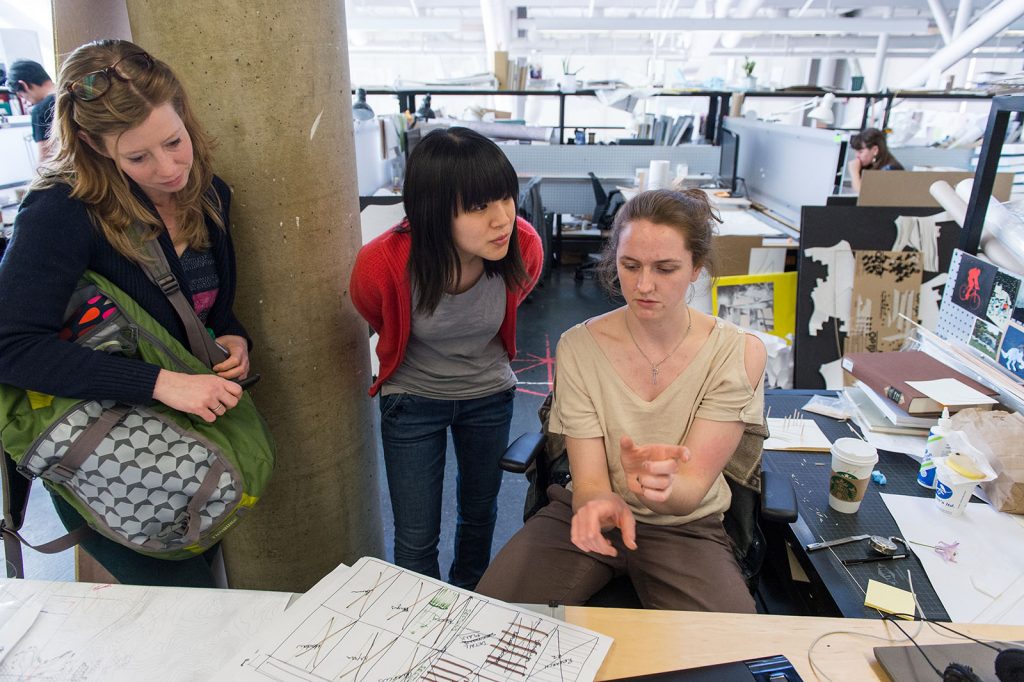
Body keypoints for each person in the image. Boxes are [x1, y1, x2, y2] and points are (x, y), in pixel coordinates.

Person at [0, 40, 252, 586]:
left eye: (174, 142)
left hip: (191, 441)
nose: (168, 169)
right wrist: (162, 382)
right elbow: (11, 347)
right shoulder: (61, 210)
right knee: (188, 607)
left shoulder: (210, 194)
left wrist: (232, 340)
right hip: (104, 453)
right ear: (91, 144)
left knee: (205, 591)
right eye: (138, 157)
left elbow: (212, 309)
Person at [476, 188, 767, 612]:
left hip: (684, 527)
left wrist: (660, 486)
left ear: (695, 269)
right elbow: (591, 481)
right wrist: (597, 499)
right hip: (590, 518)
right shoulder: (580, 346)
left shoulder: (736, 352)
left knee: (738, 661)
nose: (643, 285)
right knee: (485, 626)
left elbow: (689, 491)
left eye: (666, 269)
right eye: (630, 266)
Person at [349, 127, 543, 590]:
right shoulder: (383, 263)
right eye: (478, 206)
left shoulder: (524, 245)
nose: (501, 219)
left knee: (480, 516)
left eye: (505, 199)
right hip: (413, 399)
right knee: (416, 537)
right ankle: (423, 619)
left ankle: (469, 603)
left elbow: (520, 290)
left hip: (488, 395)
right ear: (434, 211)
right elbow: (371, 308)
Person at [6, 59, 57, 164]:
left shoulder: (40, 111)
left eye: (21, 95)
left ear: (23, 85)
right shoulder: (74, 93)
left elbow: (46, 160)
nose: (25, 102)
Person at [848, 127, 904, 193]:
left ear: (875, 150)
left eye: (860, 152)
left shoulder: (890, 170)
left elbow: (865, 197)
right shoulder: (870, 166)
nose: (857, 156)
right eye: (856, 152)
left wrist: (854, 173)